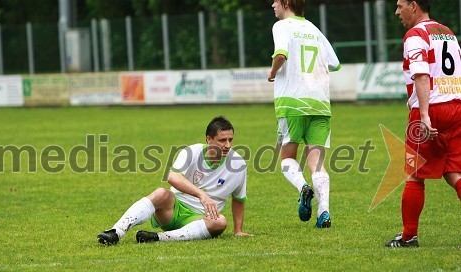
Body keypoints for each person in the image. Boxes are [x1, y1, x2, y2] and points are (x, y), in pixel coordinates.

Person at [97, 116, 252, 245]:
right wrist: (202, 196)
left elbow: (239, 198)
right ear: (209, 139)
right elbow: (172, 176)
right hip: (172, 211)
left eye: (230, 140)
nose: (228, 145)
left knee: (220, 222)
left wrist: (238, 230)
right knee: (161, 193)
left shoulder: (238, 164)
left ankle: (157, 238)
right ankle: (116, 232)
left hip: (202, 219)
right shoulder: (192, 151)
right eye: (222, 140)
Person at [385, 0, 461, 247]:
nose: (397, 12)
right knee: (454, 172)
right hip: (456, 107)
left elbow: (421, 74)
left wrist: (425, 116)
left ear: (414, 5)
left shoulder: (415, 35)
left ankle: (408, 236)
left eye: (400, 6)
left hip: (429, 110)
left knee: (414, 174)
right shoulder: (447, 33)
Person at [267, 0, 341, 228]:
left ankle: (303, 187)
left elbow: (280, 55)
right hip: (320, 102)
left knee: (287, 158)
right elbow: (335, 63)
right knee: (317, 163)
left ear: (286, 3)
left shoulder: (281, 26)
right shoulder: (314, 29)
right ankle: (324, 212)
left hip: (293, 102)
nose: (272, 5)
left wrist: (272, 73)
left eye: (276, 1)